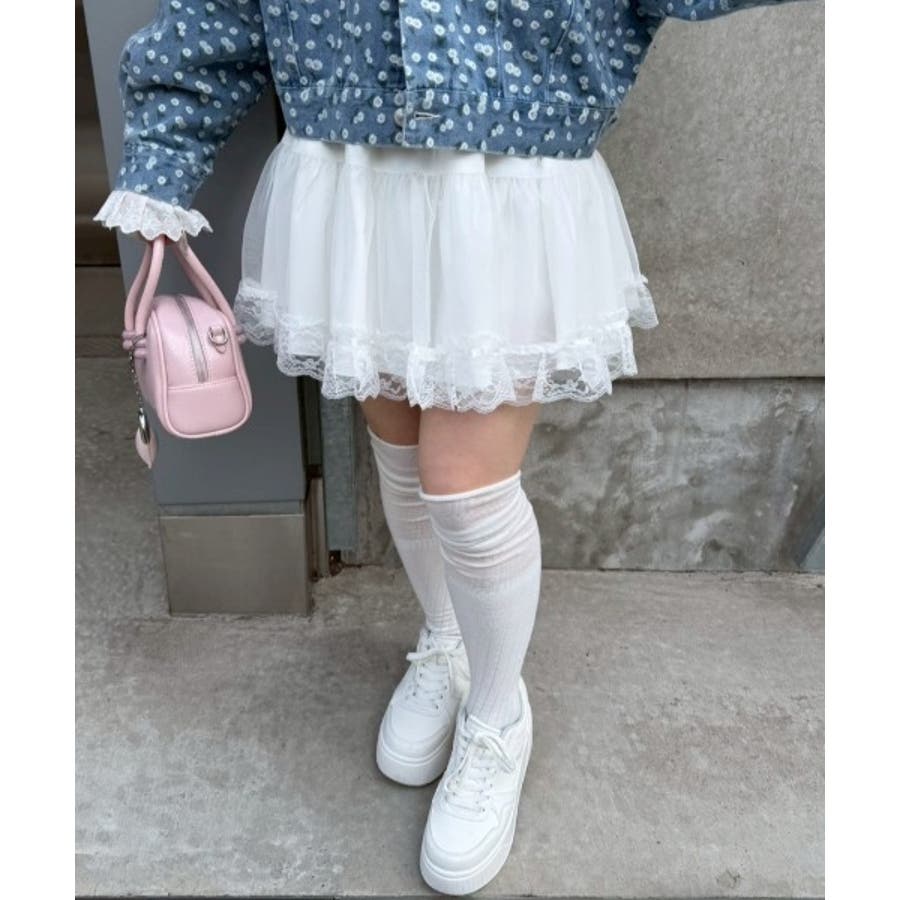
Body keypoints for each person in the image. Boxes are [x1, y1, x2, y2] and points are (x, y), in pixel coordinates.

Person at [95, 1, 810, 893]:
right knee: (399, 452)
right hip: (349, 184)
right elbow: (219, 18)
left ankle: (499, 716)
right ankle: (446, 641)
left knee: (466, 491)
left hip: (509, 180)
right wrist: (162, 165)